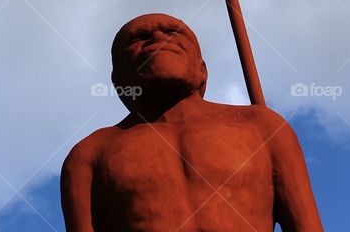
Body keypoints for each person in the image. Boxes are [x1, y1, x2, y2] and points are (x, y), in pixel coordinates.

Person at [60, 13, 323, 231]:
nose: (159, 39)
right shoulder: (90, 154)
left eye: (173, 33)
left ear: (202, 70)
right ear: (119, 81)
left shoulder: (262, 126)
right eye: (140, 38)